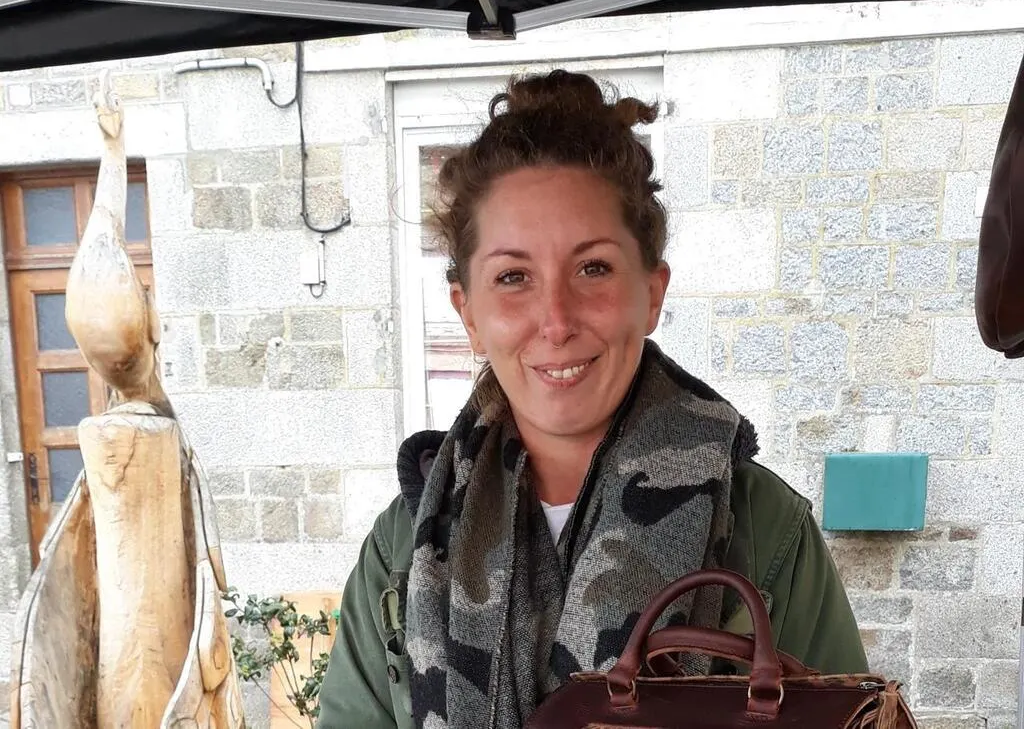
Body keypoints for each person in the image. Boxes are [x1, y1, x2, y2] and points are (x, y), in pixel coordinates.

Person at [315, 69, 867, 729]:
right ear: (468, 313)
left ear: (652, 293)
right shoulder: (406, 545)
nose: (556, 320)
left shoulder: (765, 529)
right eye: (513, 276)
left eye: (593, 268)